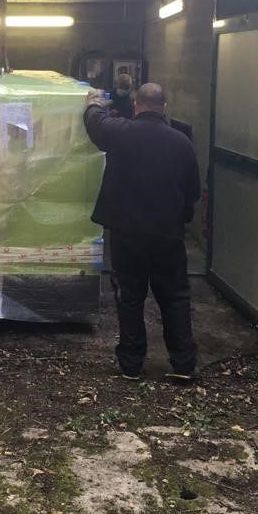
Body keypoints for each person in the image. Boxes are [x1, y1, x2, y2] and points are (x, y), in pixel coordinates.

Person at [83, 82, 201, 382]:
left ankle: (131, 365)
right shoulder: (182, 143)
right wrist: (181, 220)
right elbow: (193, 193)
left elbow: (96, 124)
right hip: (167, 234)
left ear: (135, 105)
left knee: (130, 297)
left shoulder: (121, 132)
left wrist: (94, 103)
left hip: (127, 234)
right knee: (175, 297)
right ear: (165, 107)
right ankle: (184, 364)